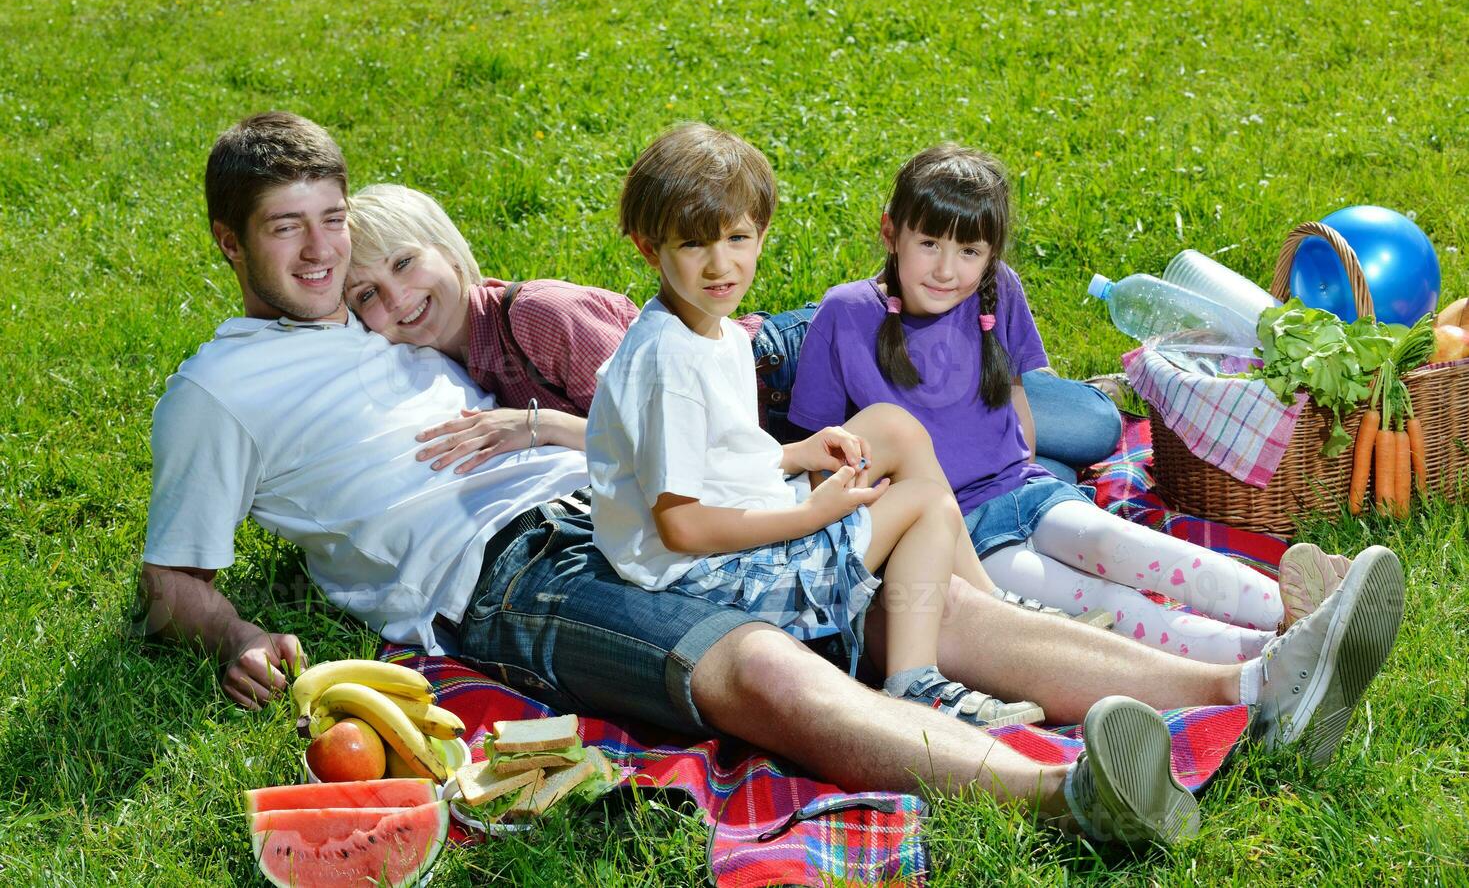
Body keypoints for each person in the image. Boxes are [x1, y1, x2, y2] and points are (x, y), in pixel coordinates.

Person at [138, 112, 1406, 849]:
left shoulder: (375, 315)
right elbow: (170, 581)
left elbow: (541, 348)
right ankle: (1064, 790)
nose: (321, 252)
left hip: (591, 500)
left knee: (897, 589)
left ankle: (1246, 685)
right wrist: (240, 630)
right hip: (502, 572)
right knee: (746, 661)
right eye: (286, 228)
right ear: (228, 244)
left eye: (330, 218)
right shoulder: (216, 389)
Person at [787, 144, 1364, 664]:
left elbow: (1015, 390)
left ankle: (1302, 605)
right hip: (961, 536)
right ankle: (1266, 654)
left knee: (1118, 543)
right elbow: (820, 451)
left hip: (1025, 489)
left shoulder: (998, 288)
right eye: (929, 244)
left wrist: (1024, 464)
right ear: (891, 232)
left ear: (989, 254)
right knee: (1104, 605)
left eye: (968, 251)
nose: (945, 269)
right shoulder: (845, 315)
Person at [586, 122, 1043, 726]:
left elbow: (717, 455)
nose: (721, 265)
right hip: (709, 578)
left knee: (891, 424)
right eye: (694, 246)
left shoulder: (709, 325)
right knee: (926, 504)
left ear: (761, 234)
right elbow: (682, 527)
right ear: (650, 249)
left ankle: (986, 599)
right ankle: (915, 686)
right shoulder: (669, 366)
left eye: (737, 238)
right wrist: (811, 516)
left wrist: (796, 455)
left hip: (739, 520)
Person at [343, 183, 1120, 481]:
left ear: (447, 247)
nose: (399, 299)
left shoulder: (536, 318)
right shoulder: (450, 359)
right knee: (978, 463)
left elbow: (655, 424)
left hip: (780, 371)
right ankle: (998, 442)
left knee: (1086, 430)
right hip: (766, 421)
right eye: (368, 295)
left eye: (407, 263)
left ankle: (1081, 394)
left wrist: (540, 426)